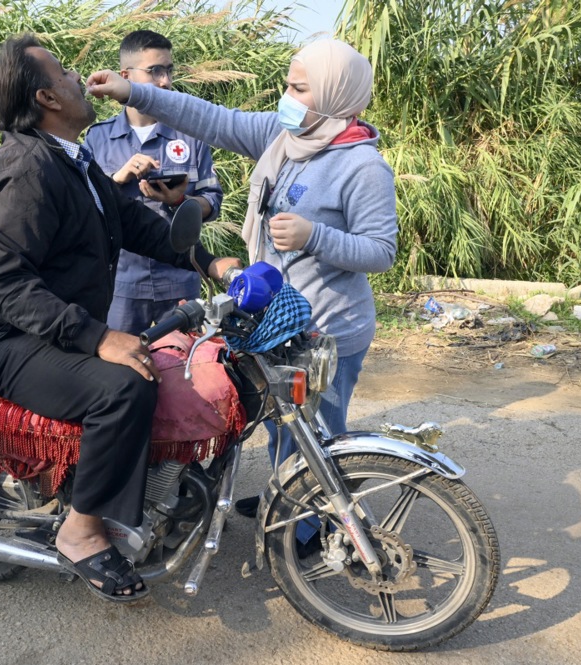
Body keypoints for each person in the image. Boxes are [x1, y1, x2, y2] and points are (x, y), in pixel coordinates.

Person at [0, 35, 240, 601]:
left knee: (162, 367)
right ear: (46, 98)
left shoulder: (74, 159)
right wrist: (99, 337)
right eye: (64, 74)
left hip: (45, 328)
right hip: (3, 339)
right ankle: (81, 532)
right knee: (124, 387)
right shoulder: (23, 168)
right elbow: (5, 282)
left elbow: (140, 228)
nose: (79, 78)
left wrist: (213, 264)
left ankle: (130, 499)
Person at [88, 39, 398, 557]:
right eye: (287, 85)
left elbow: (382, 250)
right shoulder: (285, 136)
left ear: (335, 96)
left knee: (317, 430)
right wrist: (132, 90)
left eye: (299, 89)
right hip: (277, 322)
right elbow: (209, 117)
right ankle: (286, 496)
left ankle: (314, 529)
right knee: (282, 418)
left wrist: (314, 236)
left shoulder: (362, 166)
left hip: (326, 326)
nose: (287, 97)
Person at [85, 30, 223, 334]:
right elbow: (83, 205)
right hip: (120, 283)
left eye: (169, 70)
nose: (165, 81)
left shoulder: (190, 134)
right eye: (155, 71)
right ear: (125, 75)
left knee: (183, 370)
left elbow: (212, 200)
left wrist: (179, 201)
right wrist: (116, 180)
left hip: (180, 280)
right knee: (122, 372)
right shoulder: (98, 137)